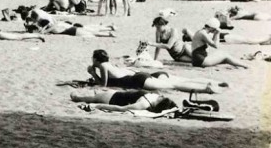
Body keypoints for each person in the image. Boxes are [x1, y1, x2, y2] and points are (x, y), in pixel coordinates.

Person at [88, 49, 227, 92]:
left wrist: (93, 73)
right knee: (182, 80)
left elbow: (103, 85)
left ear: (96, 59)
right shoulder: (112, 65)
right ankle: (213, 82)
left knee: (175, 86)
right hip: (141, 75)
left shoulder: (103, 67)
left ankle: (206, 89)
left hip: (140, 80)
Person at [71, 89, 178, 114]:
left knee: (92, 98)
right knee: (97, 95)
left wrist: (97, 106)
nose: (161, 96)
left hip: (111, 98)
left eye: (162, 98)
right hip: (118, 93)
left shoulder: (144, 104)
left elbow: (120, 108)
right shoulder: (156, 97)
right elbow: (174, 106)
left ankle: (77, 98)